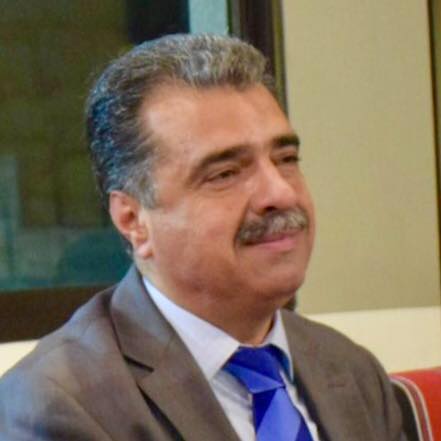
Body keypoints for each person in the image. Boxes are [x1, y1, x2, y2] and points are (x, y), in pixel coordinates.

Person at [0, 34, 406, 440]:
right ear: (133, 219)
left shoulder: (352, 371)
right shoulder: (58, 403)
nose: (281, 193)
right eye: (225, 174)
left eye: (286, 159)